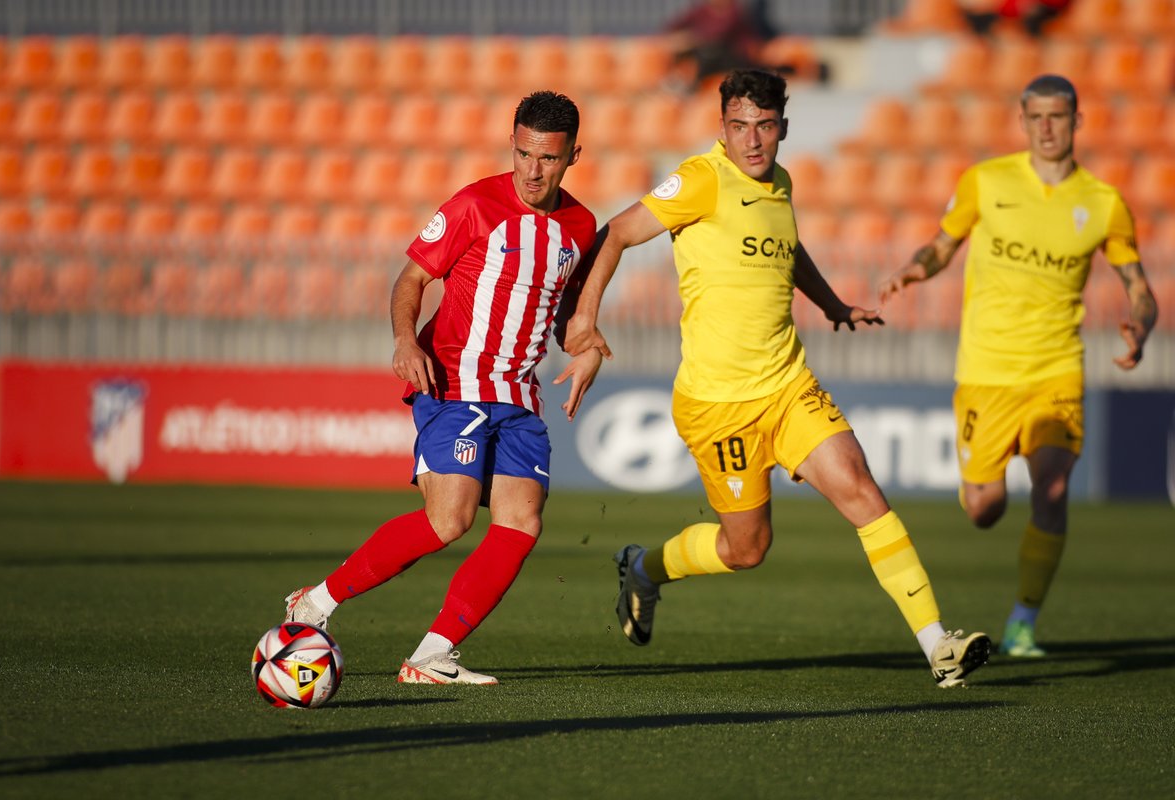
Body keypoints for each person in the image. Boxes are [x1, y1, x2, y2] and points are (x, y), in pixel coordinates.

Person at [564, 69, 990, 688]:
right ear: (723, 129)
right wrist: (584, 317)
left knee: (862, 490)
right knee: (747, 550)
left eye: (764, 126)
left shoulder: (781, 183)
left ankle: (937, 646)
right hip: (719, 406)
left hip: (788, 386)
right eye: (739, 126)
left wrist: (832, 304)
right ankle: (644, 568)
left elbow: (788, 250)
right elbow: (618, 233)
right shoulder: (702, 179)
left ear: (782, 128)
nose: (753, 140)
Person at [283, 91, 602, 685]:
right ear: (512, 142)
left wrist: (585, 351)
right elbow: (412, 279)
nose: (533, 170)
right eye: (524, 153)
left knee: (520, 525)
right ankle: (316, 603)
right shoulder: (474, 205)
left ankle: (431, 656)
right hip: (455, 382)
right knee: (448, 520)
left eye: (548, 159)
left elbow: (562, 312)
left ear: (572, 156)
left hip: (520, 395)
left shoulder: (580, 226)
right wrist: (405, 341)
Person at [878, 74, 1158, 659]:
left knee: (1052, 490)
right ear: (1023, 121)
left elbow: (1137, 283)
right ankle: (985, 495)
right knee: (983, 509)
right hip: (985, 370)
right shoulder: (986, 181)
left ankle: (1023, 622)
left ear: (1077, 120)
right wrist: (914, 268)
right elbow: (941, 243)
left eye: (1059, 116)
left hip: (1056, 369)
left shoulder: (1104, 203)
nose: (1048, 128)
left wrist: (1142, 319)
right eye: (1037, 118)